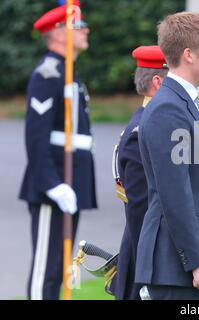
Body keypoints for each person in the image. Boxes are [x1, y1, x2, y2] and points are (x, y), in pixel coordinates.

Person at [135, 12, 199, 300]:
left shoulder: (183, 102)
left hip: (185, 268)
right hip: (175, 268)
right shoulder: (169, 109)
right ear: (189, 54)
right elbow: (175, 193)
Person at [18, 1, 96, 300]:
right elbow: (36, 138)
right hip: (54, 183)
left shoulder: (68, 72)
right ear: (58, 32)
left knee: (58, 267)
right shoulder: (49, 74)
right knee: (45, 272)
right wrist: (52, 185)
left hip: (70, 180)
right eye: (78, 25)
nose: (85, 30)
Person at [111, 46, 168, 300]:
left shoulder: (150, 123)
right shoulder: (142, 131)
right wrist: (149, 273)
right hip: (149, 261)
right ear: (158, 82)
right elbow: (141, 212)